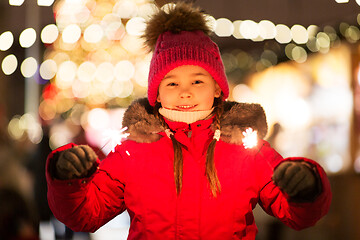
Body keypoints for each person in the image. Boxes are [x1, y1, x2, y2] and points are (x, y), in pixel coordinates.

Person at [46, 2, 332, 239]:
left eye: (197, 80)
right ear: (155, 94)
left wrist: (306, 188)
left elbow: (296, 214)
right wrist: (67, 179)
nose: (185, 92)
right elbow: (84, 215)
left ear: (218, 87)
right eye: (171, 83)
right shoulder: (133, 152)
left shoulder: (247, 150)